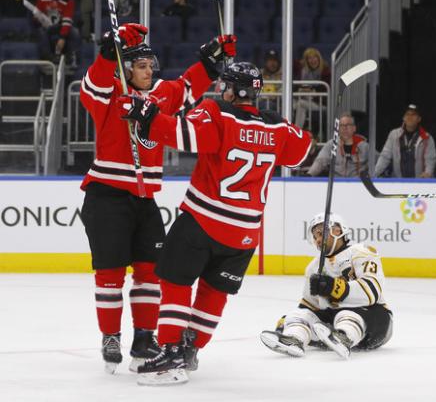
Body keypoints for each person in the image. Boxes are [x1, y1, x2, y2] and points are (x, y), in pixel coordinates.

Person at [116, 61, 312, 385]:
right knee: (214, 291)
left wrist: (146, 116)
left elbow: (184, 135)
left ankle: (169, 354)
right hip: (246, 233)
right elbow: (302, 150)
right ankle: (191, 348)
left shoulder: (218, 112)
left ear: (234, 90)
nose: (220, 89)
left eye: (225, 85)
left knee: (176, 282)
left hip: (203, 220)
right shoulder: (277, 126)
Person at [79, 22, 237, 374]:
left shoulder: (161, 96)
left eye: (152, 66)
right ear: (126, 69)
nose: (149, 71)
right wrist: (109, 52)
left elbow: (188, 87)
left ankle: (144, 336)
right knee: (110, 273)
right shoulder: (109, 95)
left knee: (151, 273)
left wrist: (214, 59)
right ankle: (109, 336)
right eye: (141, 65)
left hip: (144, 200)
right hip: (106, 197)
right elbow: (92, 84)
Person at [260, 212, 393, 359]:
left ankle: (344, 337)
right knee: (297, 315)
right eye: (315, 236)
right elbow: (309, 305)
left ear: (337, 230)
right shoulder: (314, 267)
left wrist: (333, 287)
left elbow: (371, 291)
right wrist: (289, 322)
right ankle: (294, 340)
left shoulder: (362, 252)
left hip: (374, 319)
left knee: (346, 314)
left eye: (320, 233)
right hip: (331, 324)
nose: (317, 239)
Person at [375, 104, 436, 178]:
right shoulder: (394, 135)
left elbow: (430, 160)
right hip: (398, 184)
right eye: (407, 114)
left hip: (420, 184)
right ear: (403, 118)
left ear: (419, 119)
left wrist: (428, 173)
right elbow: (385, 157)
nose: (410, 117)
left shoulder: (427, 138)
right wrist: (374, 174)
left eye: (413, 115)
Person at [307, 112, 371, 177]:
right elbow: (320, 162)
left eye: (348, 125)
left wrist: (372, 177)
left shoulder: (364, 146)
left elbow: (376, 163)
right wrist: (309, 175)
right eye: (341, 125)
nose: (344, 128)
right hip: (336, 183)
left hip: (357, 184)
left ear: (354, 128)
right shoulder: (331, 144)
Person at [33, 0, 81, 68]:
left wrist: (62, 37)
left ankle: (71, 59)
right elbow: (36, 18)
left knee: (75, 32)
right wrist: (37, 18)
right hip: (46, 26)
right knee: (41, 31)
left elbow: (67, 21)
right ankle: (49, 59)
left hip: (61, 26)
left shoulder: (68, 0)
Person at [294, 47, 331, 131]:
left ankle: (296, 132)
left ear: (319, 58)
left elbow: (325, 90)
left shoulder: (325, 72)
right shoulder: (303, 72)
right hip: (305, 100)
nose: (313, 60)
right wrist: (301, 90)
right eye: (309, 58)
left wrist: (312, 91)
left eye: (315, 57)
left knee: (300, 104)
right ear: (306, 61)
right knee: (291, 104)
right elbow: (295, 87)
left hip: (320, 103)